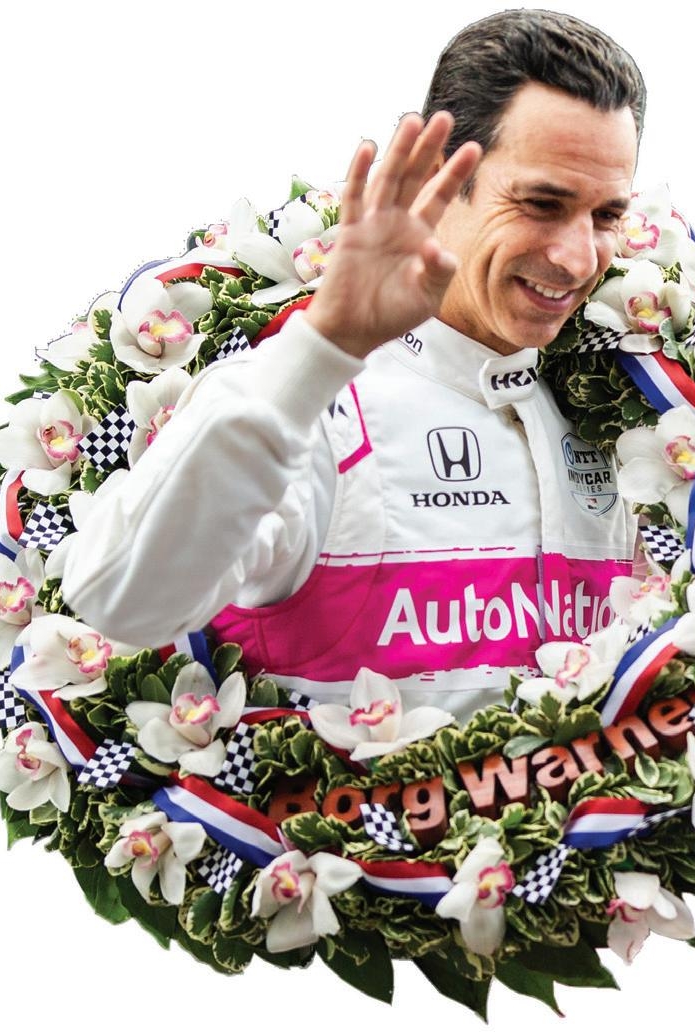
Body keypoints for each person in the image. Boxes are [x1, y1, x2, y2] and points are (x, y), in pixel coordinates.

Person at [63, 9, 646, 721]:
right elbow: (122, 603)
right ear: (438, 178)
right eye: (541, 203)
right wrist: (325, 346)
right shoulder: (308, 398)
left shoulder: (639, 407)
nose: (578, 258)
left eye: (606, 216)